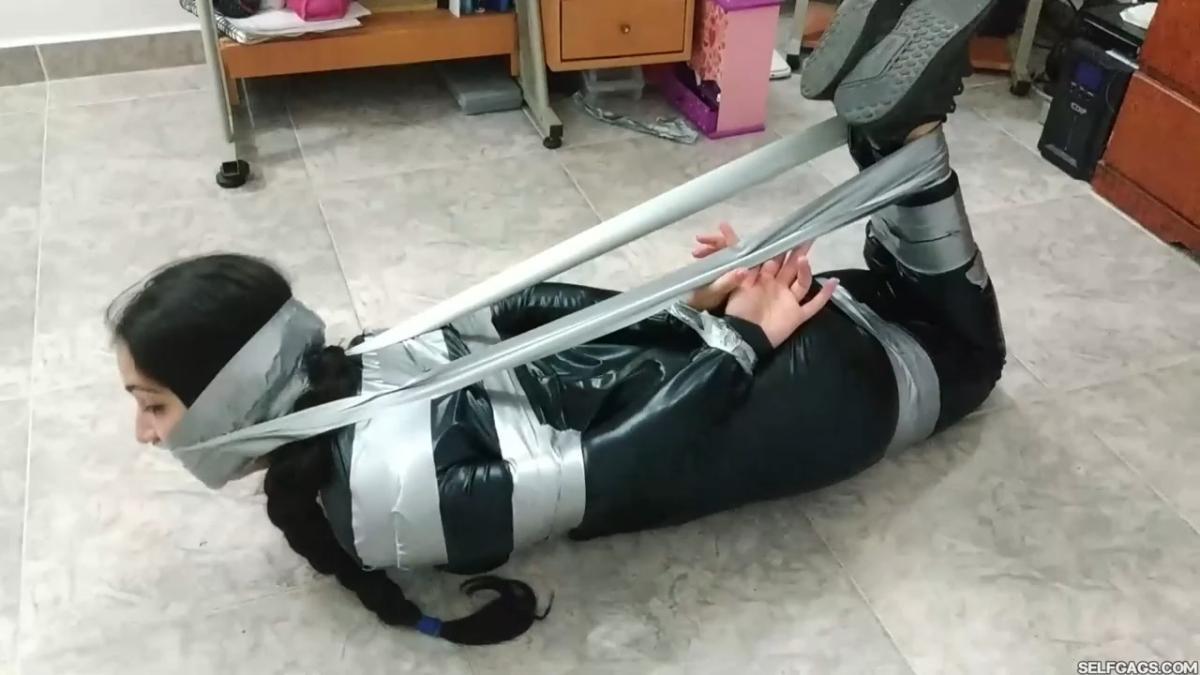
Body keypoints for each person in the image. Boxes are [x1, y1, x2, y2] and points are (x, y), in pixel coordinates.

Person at [109, 0, 1004, 647]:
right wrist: (701, 319)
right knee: (906, 305)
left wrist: (721, 323)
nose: (146, 434)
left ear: (229, 391)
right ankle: (899, 135)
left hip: (776, 397)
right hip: (731, 370)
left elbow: (619, 465)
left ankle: (905, 135)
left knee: (969, 359)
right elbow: (534, 317)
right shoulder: (367, 360)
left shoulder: (386, 503)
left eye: (153, 404)